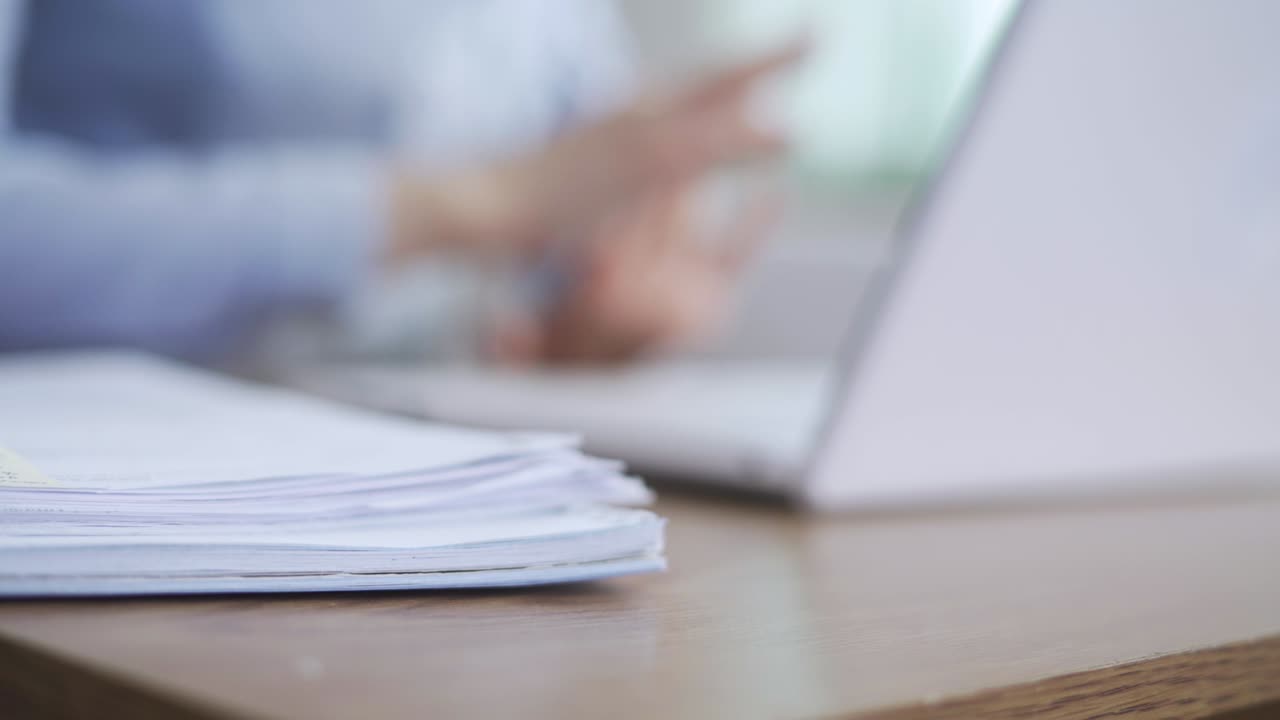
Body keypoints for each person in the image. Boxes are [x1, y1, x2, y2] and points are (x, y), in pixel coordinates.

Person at [0, 0, 802, 366]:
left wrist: (594, 303)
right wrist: (476, 201)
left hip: (436, 450)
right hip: (120, 453)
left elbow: (565, 196)